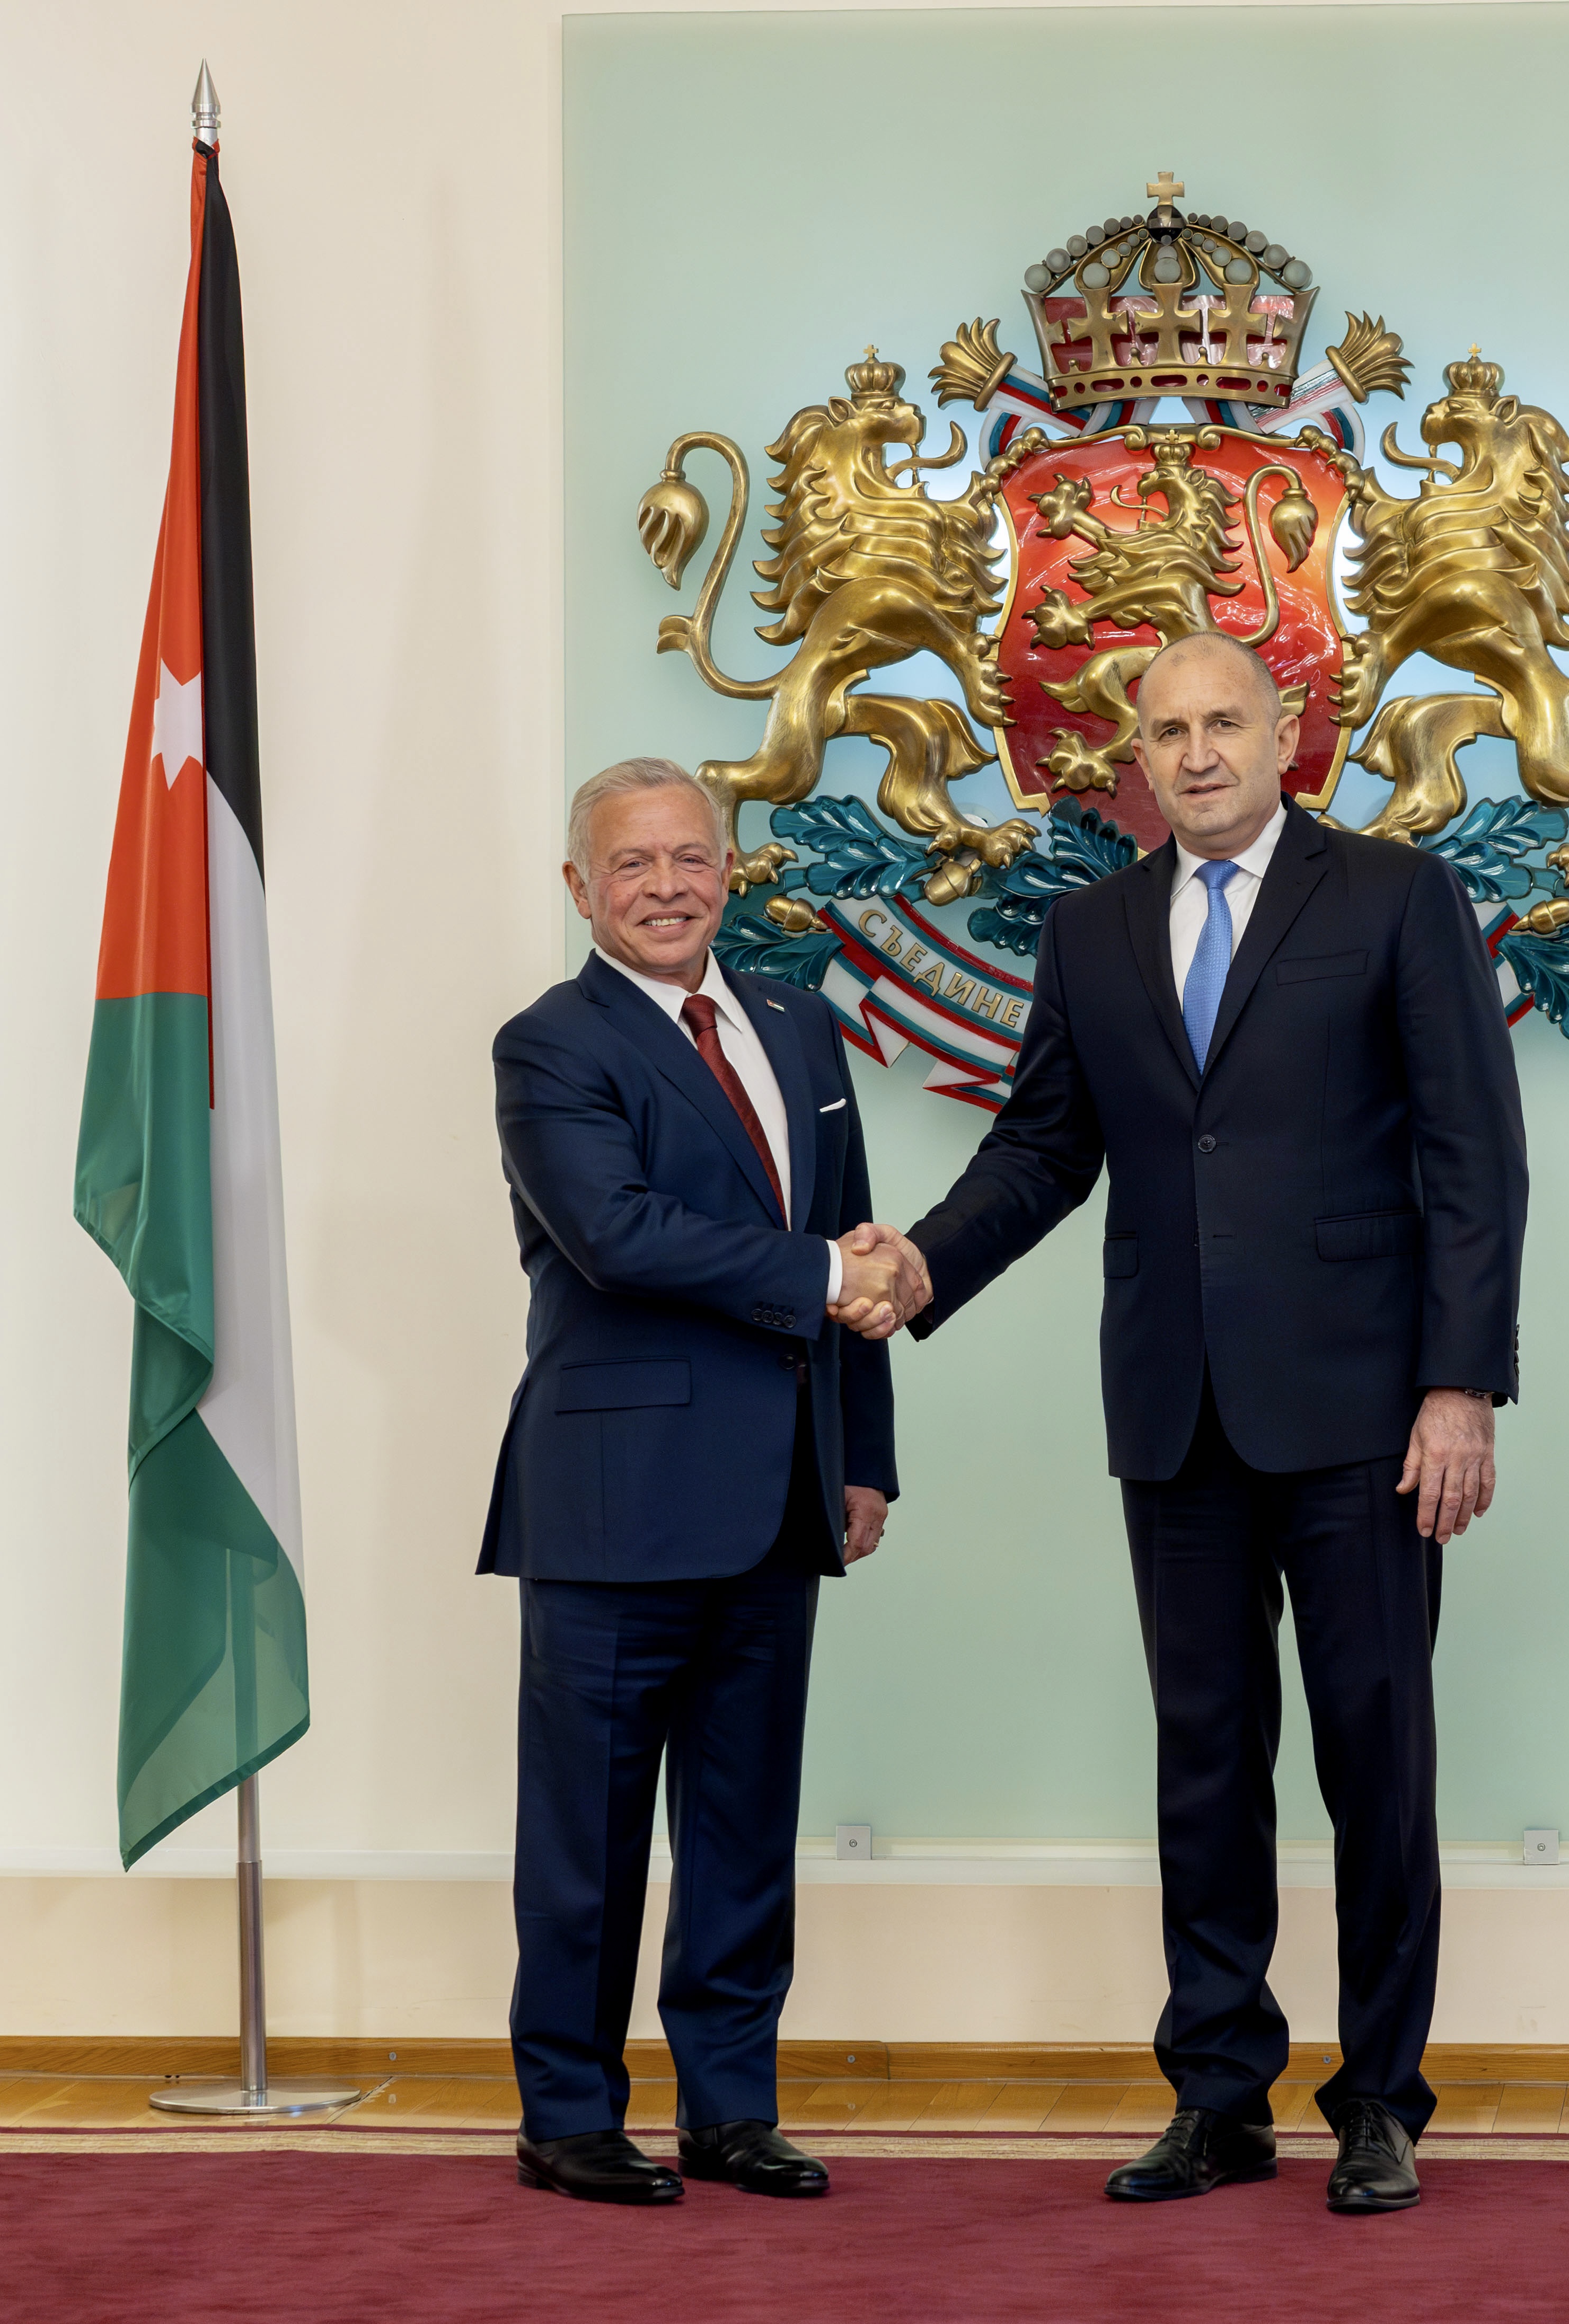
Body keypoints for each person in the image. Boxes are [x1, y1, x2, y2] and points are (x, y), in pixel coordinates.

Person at [857, 631, 1529, 2216]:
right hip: (1175, 1413)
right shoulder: (1090, 929)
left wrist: (1460, 1386)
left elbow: (1473, 1154)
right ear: (1138, 757)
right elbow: (1042, 1150)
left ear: (1287, 734)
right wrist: (924, 1260)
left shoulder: (1396, 896)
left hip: (1367, 1413)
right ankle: (1219, 2096)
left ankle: (1381, 2100)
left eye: (1227, 721)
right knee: (1205, 1763)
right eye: (1170, 731)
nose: (1200, 752)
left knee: (1377, 1763)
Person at [481, 757, 909, 2205]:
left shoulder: (797, 1024)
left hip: (783, 1498)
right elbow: (618, 1235)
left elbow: (853, 1246)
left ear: (730, 870)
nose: (665, 886)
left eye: (689, 858)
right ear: (579, 887)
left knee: (742, 1830)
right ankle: (567, 2114)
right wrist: (825, 1272)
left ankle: (731, 2109)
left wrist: (862, 1456)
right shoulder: (551, 1045)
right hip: (615, 1503)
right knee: (588, 1842)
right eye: (631, 864)